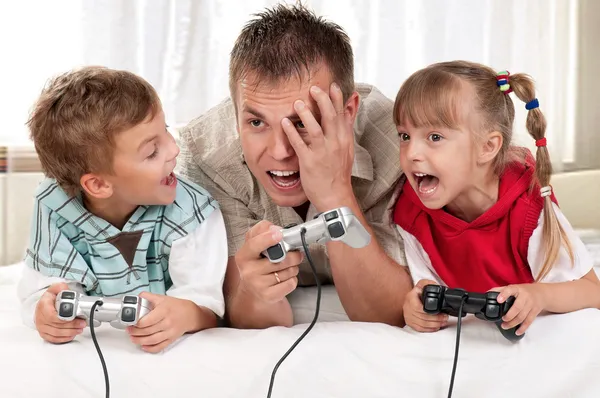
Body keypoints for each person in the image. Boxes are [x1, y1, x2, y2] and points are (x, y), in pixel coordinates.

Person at [177, 4, 412, 328]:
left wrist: (336, 195)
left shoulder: (399, 143)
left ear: (347, 111)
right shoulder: (207, 157)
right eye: (257, 122)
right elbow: (246, 317)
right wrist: (256, 290)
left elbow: (391, 314)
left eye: (302, 123)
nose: (280, 151)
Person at [17, 66, 228, 353]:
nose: (173, 150)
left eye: (165, 131)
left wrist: (185, 314)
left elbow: (207, 305)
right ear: (99, 185)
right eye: (152, 151)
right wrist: (47, 312)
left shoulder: (192, 210)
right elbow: (44, 290)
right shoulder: (54, 206)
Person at [393, 60, 600, 336]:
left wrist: (539, 296)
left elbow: (592, 291)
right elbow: (425, 288)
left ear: (487, 147)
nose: (411, 153)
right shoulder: (411, 213)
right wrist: (415, 307)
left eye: (434, 136)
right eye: (405, 136)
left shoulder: (529, 208)